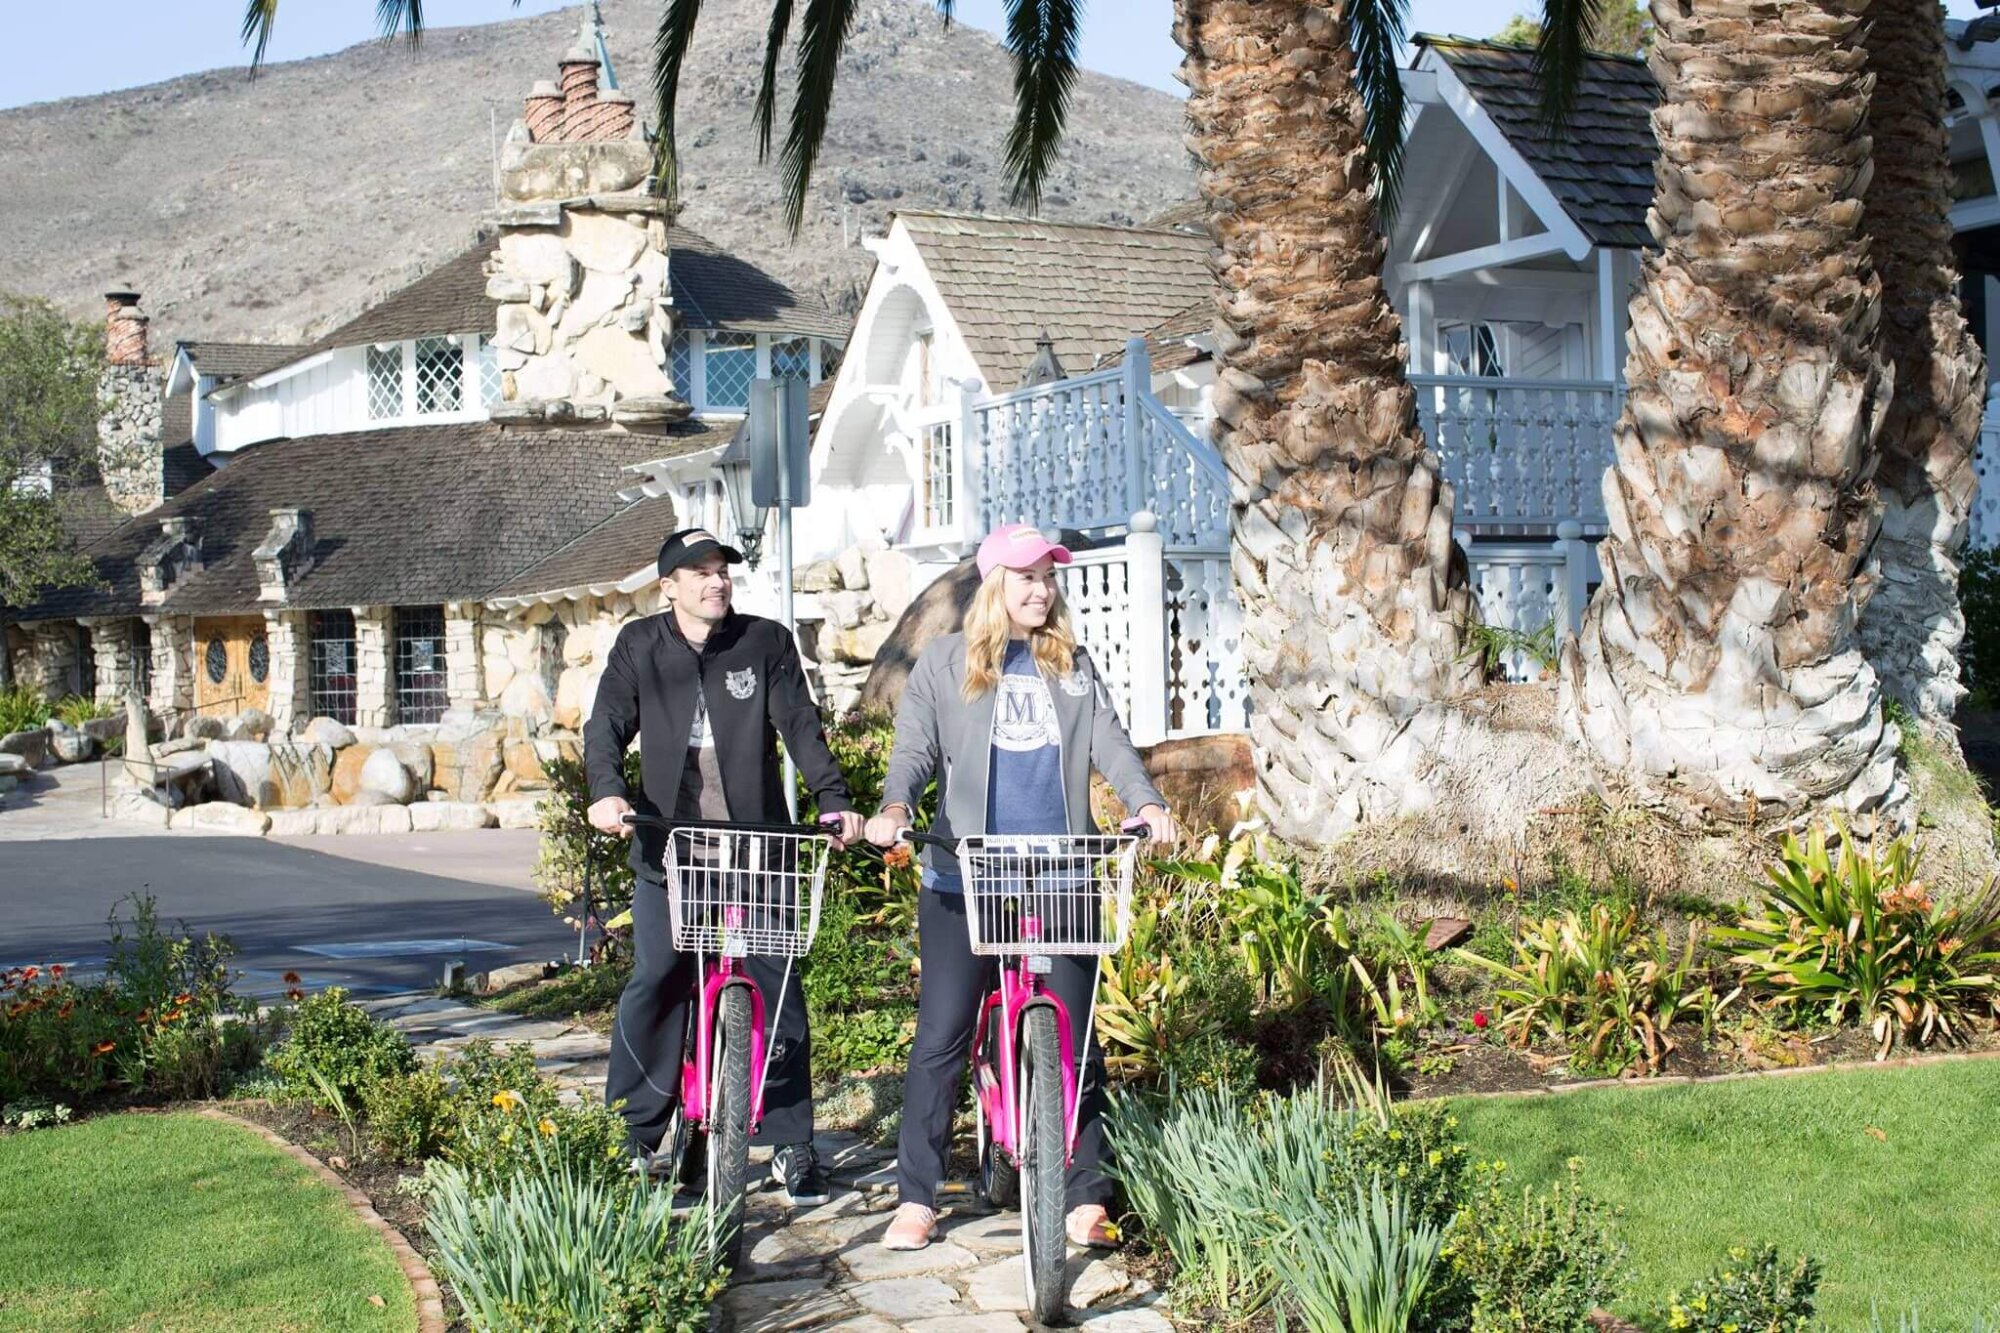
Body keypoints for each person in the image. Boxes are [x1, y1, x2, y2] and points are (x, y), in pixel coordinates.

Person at [865, 522, 1176, 1251]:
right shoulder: (943, 663)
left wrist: (1147, 802)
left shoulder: (1070, 662)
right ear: (993, 582)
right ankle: (917, 1196)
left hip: (1060, 869)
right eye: (1026, 576)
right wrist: (894, 807)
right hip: (963, 873)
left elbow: (1111, 742)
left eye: (1047, 576)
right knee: (943, 1033)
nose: (1040, 589)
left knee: (1075, 1034)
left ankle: (1083, 1194)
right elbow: (913, 750)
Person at [585, 526, 865, 1207]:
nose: (716, 580)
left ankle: (795, 1144)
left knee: (778, 985)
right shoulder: (638, 646)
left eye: (722, 570)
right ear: (669, 586)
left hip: (755, 846)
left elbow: (800, 723)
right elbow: (605, 726)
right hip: (667, 846)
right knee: (657, 976)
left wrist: (833, 799)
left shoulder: (763, 641)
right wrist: (606, 791)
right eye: (700, 571)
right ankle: (636, 1132)